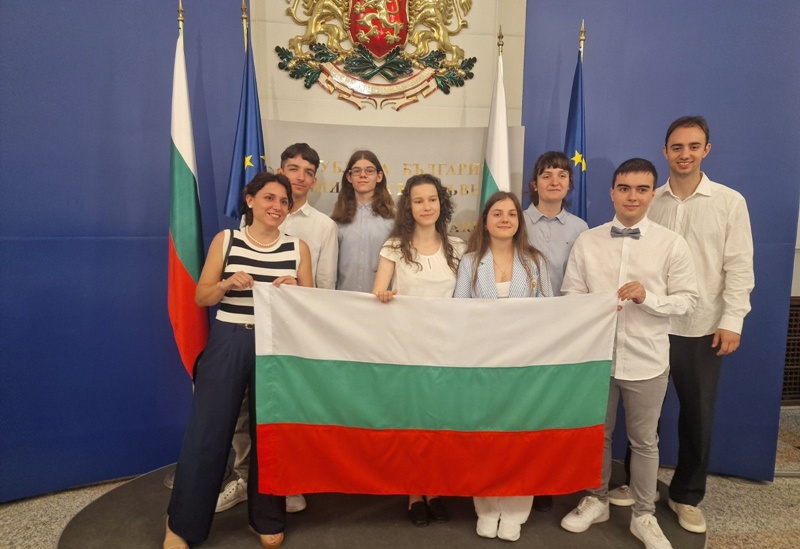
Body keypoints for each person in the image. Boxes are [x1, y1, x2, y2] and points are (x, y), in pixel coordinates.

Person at [164, 173, 313, 549]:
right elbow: (201, 296)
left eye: (284, 201)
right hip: (229, 340)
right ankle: (182, 524)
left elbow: (312, 306)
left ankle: (266, 518)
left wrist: (297, 291)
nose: (277, 206)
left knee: (270, 432)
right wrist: (226, 284)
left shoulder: (298, 248)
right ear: (250, 200)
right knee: (208, 431)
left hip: (276, 345)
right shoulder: (227, 240)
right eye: (269, 198)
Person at [559, 158, 698, 549]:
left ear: (652, 194)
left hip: (646, 359)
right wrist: (590, 306)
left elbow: (687, 301)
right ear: (612, 193)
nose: (632, 196)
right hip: (597, 359)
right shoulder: (588, 241)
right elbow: (571, 293)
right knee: (597, 435)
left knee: (644, 441)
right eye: (624, 188)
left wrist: (647, 297)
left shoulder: (671, 244)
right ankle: (597, 499)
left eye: (641, 189)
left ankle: (643, 515)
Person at [646, 116, 754, 534]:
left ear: (706, 150)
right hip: (653, 323)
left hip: (703, 325)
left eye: (693, 146)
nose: (685, 154)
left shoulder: (729, 202)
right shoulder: (650, 200)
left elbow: (739, 266)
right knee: (644, 414)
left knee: (697, 415)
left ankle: (686, 495)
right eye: (677, 147)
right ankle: (641, 485)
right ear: (665, 152)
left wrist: (732, 319)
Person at [453, 191, 551, 542]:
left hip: (524, 365)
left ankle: (514, 511)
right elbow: (459, 310)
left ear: (519, 222)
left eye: (511, 213)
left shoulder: (535, 261)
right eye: (497, 213)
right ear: (485, 221)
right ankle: (486, 508)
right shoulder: (470, 262)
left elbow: (550, 312)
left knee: (520, 440)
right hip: (483, 363)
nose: (505, 219)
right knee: (486, 438)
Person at [372, 174, 466, 527]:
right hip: (407, 350)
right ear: (408, 207)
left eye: (432, 199)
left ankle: (436, 488)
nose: (426, 206)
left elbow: (467, 300)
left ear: (441, 203)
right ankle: (414, 492)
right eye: (418, 201)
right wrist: (384, 296)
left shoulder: (458, 247)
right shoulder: (394, 247)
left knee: (440, 421)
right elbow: (377, 293)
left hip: (447, 351)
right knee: (412, 422)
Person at [523, 150, 589, 512]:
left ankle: (545, 478)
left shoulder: (581, 229)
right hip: (522, 326)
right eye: (547, 175)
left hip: (563, 329)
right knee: (523, 403)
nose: (554, 181)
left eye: (562, 175)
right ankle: (521, 474)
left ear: (569, 184)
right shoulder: (515, 220)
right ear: (534, 184)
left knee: (550, 404)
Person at [332, 150, 395, 292]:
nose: (362, 175)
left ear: (379, 176)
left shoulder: (393, 220)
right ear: (349, 177)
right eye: (356, 171)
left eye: (369, 170)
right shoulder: (335, 220)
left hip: (381, 300)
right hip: (343, 299)